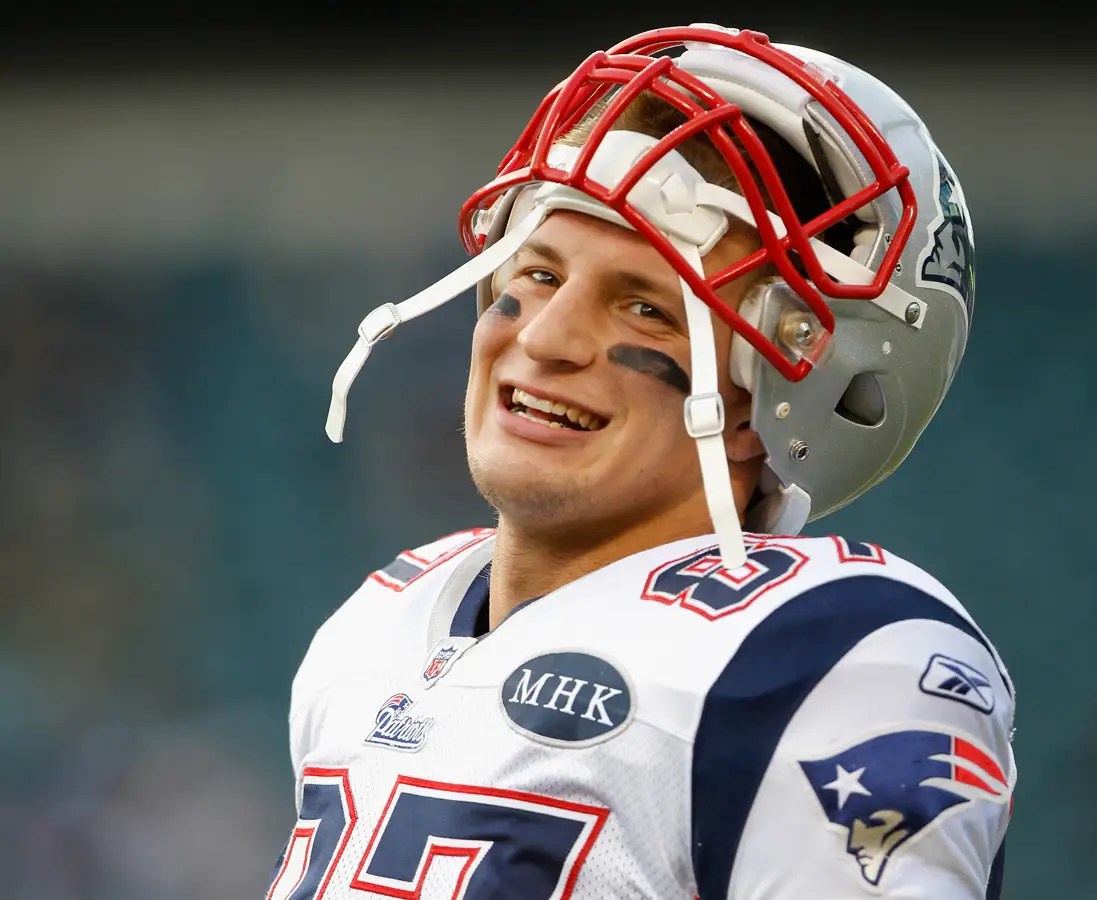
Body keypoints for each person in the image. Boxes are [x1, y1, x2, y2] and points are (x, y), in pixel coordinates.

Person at [267, 23, 1016, 899]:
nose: (544, 339)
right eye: (539, 273)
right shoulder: (379, 625)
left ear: (783, 391)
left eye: (648, 309)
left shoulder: (825, 656)